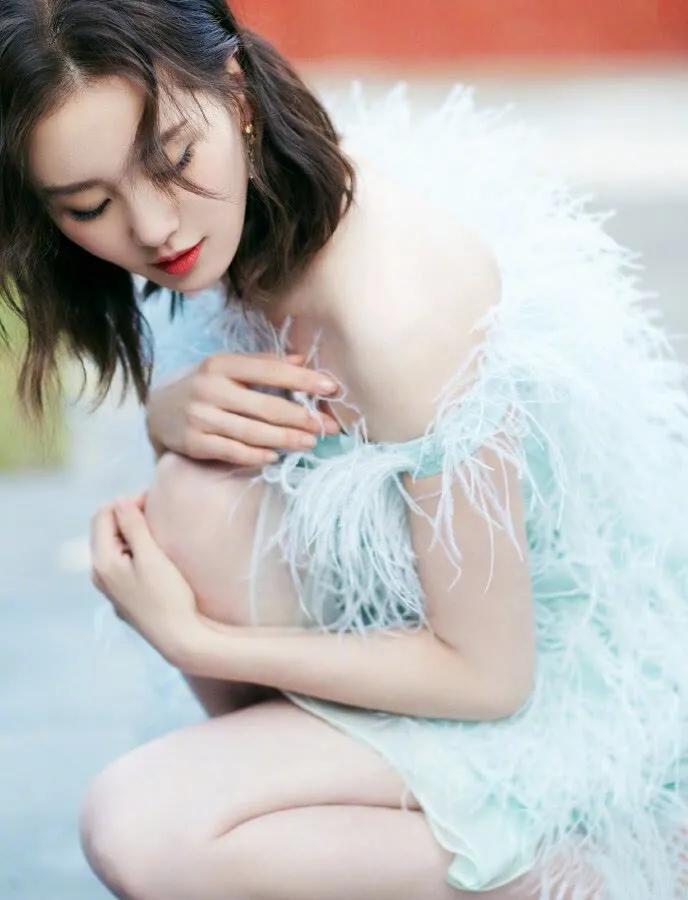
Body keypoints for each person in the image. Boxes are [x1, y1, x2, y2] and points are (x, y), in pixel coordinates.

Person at [2, 1, 688, 898]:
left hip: (570, 705)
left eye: (172, 160)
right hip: (416, 641)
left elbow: (492, 678)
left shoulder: (398, 314)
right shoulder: (257, 219)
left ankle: (577, 874)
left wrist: (198, 639)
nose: (155, 227)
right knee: (194, 499)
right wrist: (166, 418)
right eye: (90, 205)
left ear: (236, 91)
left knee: (138, 825)